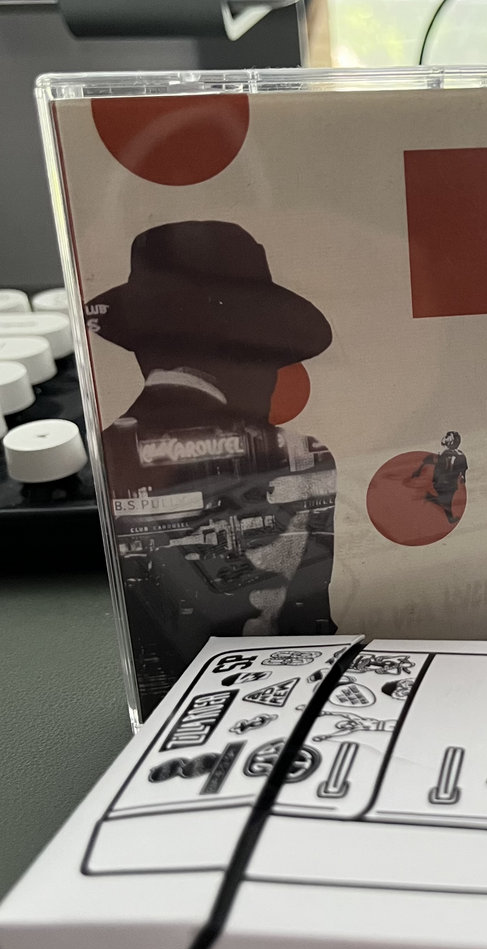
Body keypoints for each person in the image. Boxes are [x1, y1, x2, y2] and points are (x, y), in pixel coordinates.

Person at [87, 220, 336, 715]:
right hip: (287, 699)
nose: (274, 376)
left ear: (143, 348)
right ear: (243, 353)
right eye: (269, 354)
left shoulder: (108, 453)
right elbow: (312, 619)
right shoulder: (302, 457)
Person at [411, 430, 467, 524]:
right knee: (446, 501)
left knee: (446, 501)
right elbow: (463, 469)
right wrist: (463, 478)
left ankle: (430, 498)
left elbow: (429, 461)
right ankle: (431, 500)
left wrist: (418, 471)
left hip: (444, 481)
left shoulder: (444, 453)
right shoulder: (459, 455)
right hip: (447, 481)